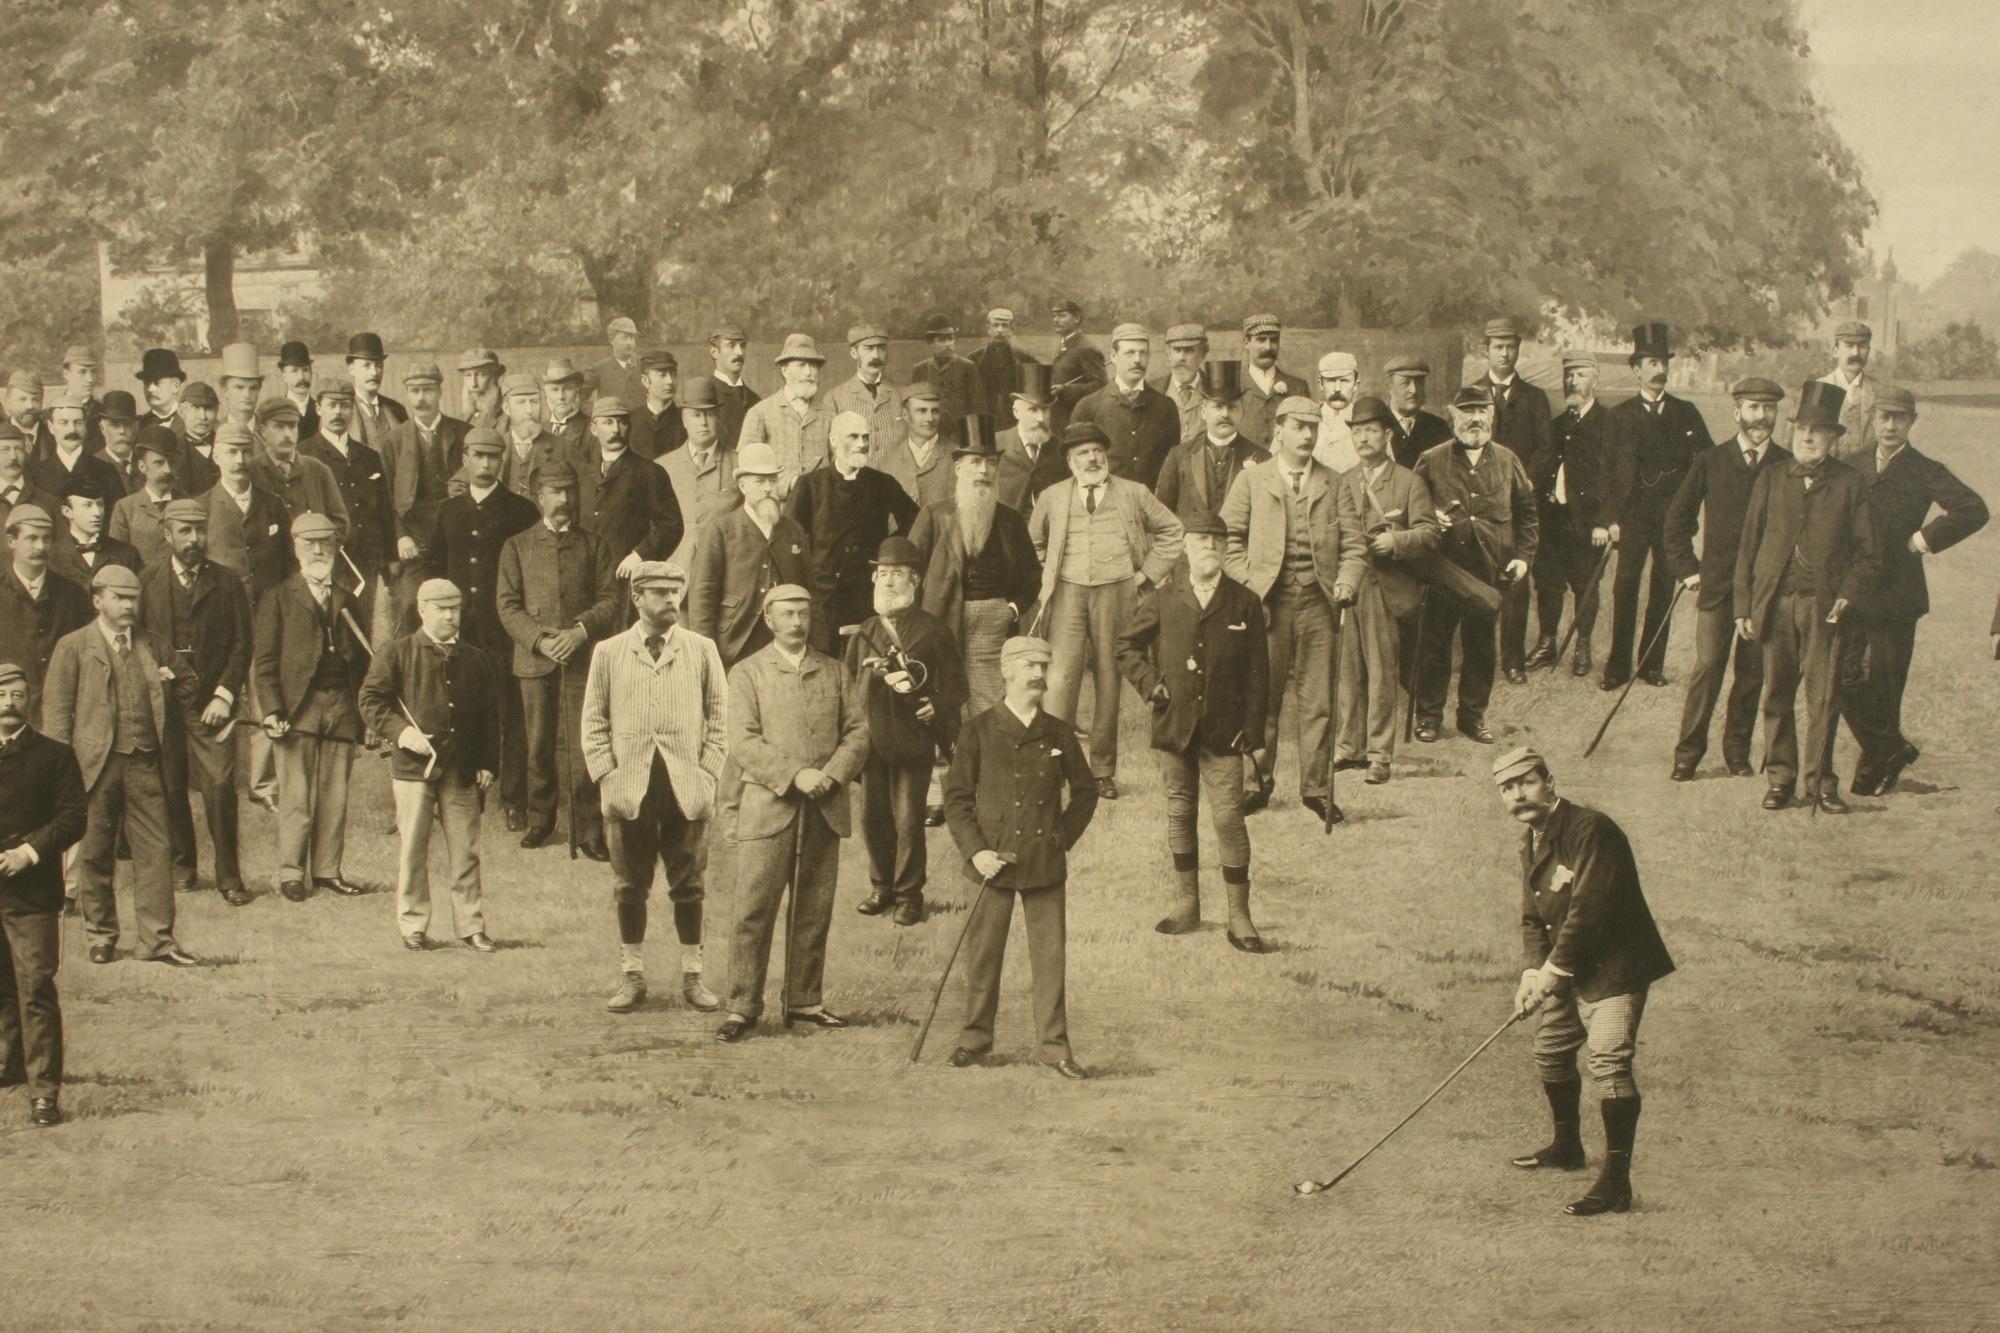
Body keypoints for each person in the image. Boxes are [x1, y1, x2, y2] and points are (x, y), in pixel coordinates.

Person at [1495, 744, 1675, 1217]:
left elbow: (1588, 910)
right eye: (1507, 789)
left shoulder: (1591, 829)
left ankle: (1617, 1183)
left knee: (1609, 1062)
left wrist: (1552, 972)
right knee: (1550, 1051)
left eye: (1526, 782)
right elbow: (1533, 918)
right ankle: (1567, 1147)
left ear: (1550, 782)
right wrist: (1533, 971)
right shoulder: (1530, 840)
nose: (1518, 795)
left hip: (1615, 967)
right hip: (1568, 969)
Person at [717, 583, 869, 1043]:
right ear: (769, 619)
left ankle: (804, 1002)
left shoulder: (835, 671)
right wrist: (795, 774)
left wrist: (833, 774)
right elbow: (742, 741)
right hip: (768, 806)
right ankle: (742, 1008)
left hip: (823, 807)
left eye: (804, 614)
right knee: (752, 911)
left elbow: (859, 732)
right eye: (788, 614)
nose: (797, 622)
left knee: (813, 909)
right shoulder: (747, 673)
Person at [941, 635, 1097, 1078]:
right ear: (1006, 671)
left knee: (1050, 960)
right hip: (991, 865)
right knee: (983, 957)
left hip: (1044, 865)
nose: (1038, 675)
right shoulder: (977, 730)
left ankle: (1055, 1049)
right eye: (1029, 665)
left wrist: (1060, 838)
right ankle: (974, 1041)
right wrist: (977, 852)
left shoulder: (1059, 733)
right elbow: (956, 800)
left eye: (1043, 667)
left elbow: (1085, 794)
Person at [581, 561, 728, 1015]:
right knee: (630, 887)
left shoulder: (702, 650)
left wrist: (706, 773)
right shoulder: (609, 652)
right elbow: (593, 721)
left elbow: (720, 719)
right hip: (631, 787)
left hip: (686, 786)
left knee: (690, 887)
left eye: (676, 591)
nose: (671, 600)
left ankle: (693, 978)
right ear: (637, 598)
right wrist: (608, 775)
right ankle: (632, 977)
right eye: (660, 592)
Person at [1116, 515, 1269, 948]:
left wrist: (1252, 731)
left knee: (1228, 819)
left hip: (1225, 731)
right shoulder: (1165, 598)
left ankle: (1239, 916)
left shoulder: (1244, 602)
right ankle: (1188, 905)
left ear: (1226, 549)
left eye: (1218, 541)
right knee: (1180, 812)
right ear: (1185, 545)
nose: (1210, 548)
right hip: (1176, 724)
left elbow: (1260, 675)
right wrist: (1151, 684)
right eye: (1202, 540)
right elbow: (1126, 645)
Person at [1734, 381, 1879, 813]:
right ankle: (1780, 780)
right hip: (1775, 604)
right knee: (1776, 694)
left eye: (1818, 431)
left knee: (1823, 698)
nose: (1808, 438)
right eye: (1801, 430)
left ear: (1833, 438)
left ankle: (1820, 783)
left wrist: (1846, 596)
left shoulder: (1850, 484)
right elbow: (1748, 547)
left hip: (1824, 608)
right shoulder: (1772, 479)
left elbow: (1868, 554)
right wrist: (1744, 607)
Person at [43, 564, 196, 966]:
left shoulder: (153, 644)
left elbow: (189, 684)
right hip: (93, 766)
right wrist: (60, 776)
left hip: (145, 762)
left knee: (156, 852)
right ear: (98, 601)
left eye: (133, 598)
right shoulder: (73, 646)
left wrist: (169, 680)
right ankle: (101, 936)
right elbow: (57, 717)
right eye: (119, 598)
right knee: (94, 853)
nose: (129, 605)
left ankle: (158, 941)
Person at [1218, 396, 1365, 816]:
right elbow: (1227, 542)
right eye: (1298, 427)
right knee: (1262, 699)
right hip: (1267, 607)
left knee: (1318, 701)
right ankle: (1257, 783)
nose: (1307, 435)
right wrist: (1249, 583)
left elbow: (1354, 545)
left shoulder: (1334, 482)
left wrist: (1345, 581)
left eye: (1313, 428)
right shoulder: (1251, 481)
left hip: (1318, 606)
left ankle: (1316, 789)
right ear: (1278, 430)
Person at [1839, 386, 1987, 796]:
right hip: (1852, 590)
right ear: (1872, 418)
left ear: (1912, 422)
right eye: (1883, 416)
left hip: (1898, 595)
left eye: (1899, 418)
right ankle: (1890, 747)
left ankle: (1875, 763)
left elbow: (1973, 509)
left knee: (1886, 684)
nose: (1889, 425)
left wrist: (1922, 539)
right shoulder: (1850, 466)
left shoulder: (1925, 469)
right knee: (1840, 678)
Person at [1028, 420, 1184, 800]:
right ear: (1069, 460)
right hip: (1067, 592)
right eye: (1083, 452)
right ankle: (1055, 765)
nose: (1093, 458)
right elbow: (1031, 541)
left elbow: (1173, 531)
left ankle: (1102, 769)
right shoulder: (1052, 496)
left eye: (1098, 450)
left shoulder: (1134, 493)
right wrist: (1050, 570)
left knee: (1110, 681)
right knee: (1060, 681)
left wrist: (1145, 576)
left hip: (1118, 593)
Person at [360, 578, 501, 953]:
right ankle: (413, 926)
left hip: (463, 770)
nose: (450, 616)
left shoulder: (476, 658)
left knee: (466, 851)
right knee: (413, 849)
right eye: (441, 609)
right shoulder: (396, 654)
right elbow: (371, 701)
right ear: (422, 610)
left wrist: (488, 762)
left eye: (455, 609)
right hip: (413, 770)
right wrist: (403, 734)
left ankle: (471, 926)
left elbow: (491, 716)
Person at [1664, 378, 1793, 781]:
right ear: (1736, 412)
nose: (1762, 417)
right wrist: (1688, 569)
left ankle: (1737, 753)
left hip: (1763, 591)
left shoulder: (1787, 465)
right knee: (1708, 667)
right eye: (1754, 408)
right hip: (1719, 587)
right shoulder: (1710, 460)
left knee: (1752, 673)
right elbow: (1677, 521)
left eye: (1769, 409)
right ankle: (1687, 755)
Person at [496, 461, 622, 857]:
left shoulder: (595, 545)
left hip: (582, 661)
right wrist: (538, 640)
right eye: (555, 492)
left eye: (570, 491)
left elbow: (610, 600)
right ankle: (540, 820)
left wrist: (579, 632)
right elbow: (507, 605)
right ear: (539, 497)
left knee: (586, 744)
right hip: (534, 662)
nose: (565, 499)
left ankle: (588, 829)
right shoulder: (516, 546)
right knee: (538, 743)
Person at [424, 428, 540, 830]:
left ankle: (514, 799)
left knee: (512, 713)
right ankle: (461, 790)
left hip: (504, 630)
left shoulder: (521, 511)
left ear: (503, 461)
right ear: (466, 458)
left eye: (494, 457)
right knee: (459, 708)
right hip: (460, 631)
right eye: (478, 456)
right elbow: (434, 570)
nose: (486, 464)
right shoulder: (448, 511)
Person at [846, 537, 965, 927]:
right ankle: (882, 888)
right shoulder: (864, 629)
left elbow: (956, 685)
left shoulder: (934, 631)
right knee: (872, 818)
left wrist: (939, 706)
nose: (888, 582)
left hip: (912, 738)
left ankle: (910, 895)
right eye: (882, 574)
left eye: (897, 574)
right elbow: (847, 686)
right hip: (871, 739)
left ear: (915, 581)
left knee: (910, 819)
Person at [254, 513, 373, 900]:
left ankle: (326, 871)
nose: (319, 550)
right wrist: (272, 710)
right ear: (295, 547)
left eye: (326, 543)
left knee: (334, 793)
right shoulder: (278, 597)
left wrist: (363, 712)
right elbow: (266, 662)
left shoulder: (348, 599)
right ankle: (291, 872)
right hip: (298, 707)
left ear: (337, 549)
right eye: (310, 544)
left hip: (341, 705)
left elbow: (365, 660)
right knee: (296, 796)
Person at [1410, 386, 1538, 745]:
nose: (1475, 419)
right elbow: (1412, 510)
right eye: (1467, 412)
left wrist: (1523, 558)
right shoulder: (1430, 460)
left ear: (1492, 415)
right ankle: (1429, 716)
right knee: (1435, 646)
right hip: (1443, 571)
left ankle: (1472, 716)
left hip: (1489, 572)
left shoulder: (1508, 460)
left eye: (1482, 410)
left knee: (1481, 647)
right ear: (1453, 415)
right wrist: (1432, 517)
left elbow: (1527, 515)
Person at [144, 499, 252, 906]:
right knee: (170, 786)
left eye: (199, 531)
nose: (193, 539)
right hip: (165, 704)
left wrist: (225, 694)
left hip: (211, 703)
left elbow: (243, 645)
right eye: (184, 531)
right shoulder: (148, 581)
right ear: (166, 534)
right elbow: (137, 641)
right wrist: (154, 676)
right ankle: (182, 866)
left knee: (221, 787)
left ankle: (229, 876)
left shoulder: (227, 582)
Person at [1332, 396, 1440, 783]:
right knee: (1347, 671)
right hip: (1351, 584)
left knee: (1381, 672)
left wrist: (1396, 543)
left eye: (1371, 431)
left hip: (1388, 587)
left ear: (1387, 434)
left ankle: (1379, 754)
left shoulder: (1409, 481)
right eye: (1357, 431)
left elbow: (1429, 533)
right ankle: (1349, 747)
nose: (1363, 438)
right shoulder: (1342, 480)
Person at [1603, 322, 1714, 689]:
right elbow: (1606, 473)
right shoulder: (1619, 416)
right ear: (1636, 369)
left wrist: (1689, 514)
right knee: (1625, 587)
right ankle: (1617, 667)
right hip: (1633, 516)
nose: (1658, 369)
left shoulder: (1687, 413)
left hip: (1671, 518)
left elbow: (1707, 464)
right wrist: (1611, 519)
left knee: (1663, 588)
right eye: (1650, 362)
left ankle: (1651, 665)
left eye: (1662, 361)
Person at [0, 659, 86, 1127]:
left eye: (16, 695)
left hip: (31, 893)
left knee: (34, 986)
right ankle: (8, 1067)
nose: (8, 705)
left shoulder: (54, 755)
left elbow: (74, 817)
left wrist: (29, 853)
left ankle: (44, 1092)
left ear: (29, 699)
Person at [909, 423, 1040, 716]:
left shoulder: (1010, 520)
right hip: (940, 616)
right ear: (958, 467)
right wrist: (918, 619)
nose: (984, 471)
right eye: (976, 462)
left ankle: (991, 754)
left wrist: (1013, 609)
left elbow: (1032, 574)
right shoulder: (934, 515)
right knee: (942, 691)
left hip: (993, 618)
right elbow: (911, 572)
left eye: (991, 463)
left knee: (989, 696)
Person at [784, 409, 917, 650]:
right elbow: (787, 536)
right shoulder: (810, 485)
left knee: (868, 658)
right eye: (853, 437)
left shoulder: (882, 483)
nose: (861, 444)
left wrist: (888, 549)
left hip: (867, 596)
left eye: (865, 437)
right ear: (834, 441)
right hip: (824, 598)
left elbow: (915, 518)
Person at [1522, 353, 1619, 678]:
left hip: (1587, 522)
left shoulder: (1608, 424)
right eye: (1568, 375)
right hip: (1552, 517)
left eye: (1579, 375)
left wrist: (1604, 521)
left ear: (1596, 381)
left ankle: (1582, 645)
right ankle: (1548, 643)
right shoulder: (1558, 424)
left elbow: (1614, 477)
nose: (1572, 381)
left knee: (1585, 585)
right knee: (1548, 583)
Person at [1473, 319, 1556, 685]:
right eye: (1497, 346)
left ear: (1518, 349)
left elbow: (1545, 449)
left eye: (1510, 346)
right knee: (1477, 580)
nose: (1504, 353)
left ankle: (1512, 659)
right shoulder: (1471, 394)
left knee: (1516, 583)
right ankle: (1478, 656)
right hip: (1480, 504)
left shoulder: (1535, 398)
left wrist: (1523, 486)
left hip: (1519, 506)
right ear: (1485, 350)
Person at [687, 443, 814, 668]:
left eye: (772, 481)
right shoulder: (721, 530)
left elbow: (809, 588)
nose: (768, 488)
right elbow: (702, 597)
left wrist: (817, 646)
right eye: (760, 481)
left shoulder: (792, 530)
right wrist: (706, 653)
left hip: (784, 640)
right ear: (742, 485)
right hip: (736, 640)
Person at [384, 361, 468, 629]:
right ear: (407, 394)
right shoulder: (394, 440)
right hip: (414, 545)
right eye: (414, 390)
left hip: (456, 539)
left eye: (428, 390)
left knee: (460, 610)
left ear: (440, 392)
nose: (421, 398)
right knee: (411, 609)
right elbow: (384, 495)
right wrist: (400, 535)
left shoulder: (463, 434)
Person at [573, 395, 686, 585]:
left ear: (629, 427)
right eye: (608, 422)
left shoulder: (649, 472)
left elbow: (671, 526)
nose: (616, 430)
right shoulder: (582, 473)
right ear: (593, 428)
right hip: (587, 576)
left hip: (627, 577)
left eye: (622, 422)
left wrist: (639, 556)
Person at [0, 505, 92, 725]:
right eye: (31, 538)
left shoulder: (73, 594)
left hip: (64, 715)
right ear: (11, 541)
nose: (41, 546)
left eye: (46, 539)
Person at [1153, 361, 1268, 529]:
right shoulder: (1179, 456)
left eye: (1232, 407)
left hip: (1238, 551)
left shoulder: (1262, 458)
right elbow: (1160, 516)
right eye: (1218, 406)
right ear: (1203, 411)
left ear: (1242, 411)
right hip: (1192, 551)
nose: (1225, 414)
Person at [1071, 323, 1180, 490]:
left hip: (1153, 506)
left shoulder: (1166, 407)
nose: (1137, 360)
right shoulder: (1088, 406)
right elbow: (1076, 466)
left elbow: (1172, 467)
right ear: (1114, 356)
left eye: (1143, 353)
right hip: (1106, 506)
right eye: (1130, 353)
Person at [656, 376, 741, 570]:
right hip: (675, 572)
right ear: (684, 420)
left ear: (717, 417)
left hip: (726, 568)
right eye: (696, 415)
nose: (703, 422)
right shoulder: (662, 467)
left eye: (709, 414)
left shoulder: (739, 463)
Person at [738, 334, 831, 494]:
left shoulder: (829, 416)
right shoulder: (760, 413)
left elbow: (840, 465)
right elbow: (747, 467)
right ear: (784, 369)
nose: (808, 372)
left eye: (813, 366)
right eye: (801, 365)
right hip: (777, 510)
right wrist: (787, 484)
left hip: (821, 509)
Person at [50, 471, 141, 590]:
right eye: (87, 505)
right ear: (67, 512)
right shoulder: (51, 557)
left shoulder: (127, 554)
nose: (97, 513)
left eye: (100, 505)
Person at [28, 391, 124, 502]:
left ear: (85, 425)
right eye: (63, 423)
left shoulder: (106, 471)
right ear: (51, 427)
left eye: (78, 423)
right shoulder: (35, 474)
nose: (72, 430)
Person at [826, 323, 905, 456]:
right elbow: (831, 451)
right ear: (853, 353)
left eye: (881, 348)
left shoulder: (902, 394)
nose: (876, 355)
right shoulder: (834, 397)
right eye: (868, 348)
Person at [995, 364, 1066, 512]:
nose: (1040, 418)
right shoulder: (996, 444)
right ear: (1016, 412)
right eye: (1032, 410)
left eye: (1045, 410)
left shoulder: (1061, 449)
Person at [873, 385, 954, 513]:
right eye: (922, 411)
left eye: (935, 411)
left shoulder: (958, 457)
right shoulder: (886, 462)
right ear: (905, 414)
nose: (930, 418)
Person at [1234, 314, 1308, 448]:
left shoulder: (1298, 387)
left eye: (1273, 340)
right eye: (1261, 340)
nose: (1268, 347)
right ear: (1246, 342)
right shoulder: (1233, 386)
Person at [109, 430, 180, 568]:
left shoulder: (188, 503)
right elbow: (117, 558)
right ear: (142, 467)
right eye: (159, 463)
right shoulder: (125, 508)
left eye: (171, 463)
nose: (167, 470)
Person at [909, 313, 980, 446]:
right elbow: (913, 407)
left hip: (961, 437)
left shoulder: (967, 367)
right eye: (942, 340)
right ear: (931, 343)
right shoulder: (920, 369)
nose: (948, 344)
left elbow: (978, 407)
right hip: (931, 436)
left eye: (950, 338)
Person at [1819, 320, 1878, 463]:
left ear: (1869, 350)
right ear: (1835, 350)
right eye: (1849, 345)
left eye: (1862, 346)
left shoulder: (1879, 392)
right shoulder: (1818, 389)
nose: (1856, 352)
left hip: (1866, 479)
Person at [497, 371, 561, 499]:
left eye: (534, 402)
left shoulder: (563, 447)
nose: (529, 410)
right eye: (521, 402)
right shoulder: (494, 446)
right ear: (506, 408)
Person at [344, 332, 409, 458]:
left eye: (379, 366)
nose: (374, 373)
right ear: (351, 369)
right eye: (366, 365)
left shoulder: (397, 410)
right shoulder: (342, 409)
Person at [1047, 299, 1105, 438]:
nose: (1055, 320)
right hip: (1059, 419)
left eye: (1061, 316)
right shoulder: (1065, 343)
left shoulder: (1086, 348)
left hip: (1076, 420)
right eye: (1054, 316)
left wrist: (1065, 390)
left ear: (1076, 318)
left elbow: (1100, 386)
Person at [968, 308, 1037, 421]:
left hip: (1015, 420)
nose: (1000, 330)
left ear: (1011, 329)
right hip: (983, 420)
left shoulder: (1025, 360)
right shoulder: (973, 360)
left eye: (1005, 326)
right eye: (995, 325)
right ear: (988, 329)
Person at [1148, 322, 1210, 444]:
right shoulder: (1150, 391)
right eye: (1177, 350)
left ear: (1202, 354)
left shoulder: (1216, 388)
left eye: (1189, 350)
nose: (1181, 357)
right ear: (1169, 353)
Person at [706, 323, 761, 451]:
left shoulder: (755, 400)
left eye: (743, 345)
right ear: (714, 352)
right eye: (731, 345)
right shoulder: (704, 396)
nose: (739, 352)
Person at [0, 423, 62, 529]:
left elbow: (62, 544)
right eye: (5, 450)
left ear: (26, 454)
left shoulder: (48, 502)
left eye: (19, 449)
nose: (13, 457)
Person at [628, 351, 686, 461]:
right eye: (662, 375)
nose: (670, 381)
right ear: (645, 381)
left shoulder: (686, 419)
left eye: (673, 374)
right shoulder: (630, 420)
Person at [1312, 351, 1361, 474]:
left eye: (1344, 381)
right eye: (1331, 381)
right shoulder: (1306, 418)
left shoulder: (1368, 421)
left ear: (1355, 385)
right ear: (1321, 384)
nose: (1337, 388)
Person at [586, 315, 645, 411]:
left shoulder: (644, 365)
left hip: (642, 424)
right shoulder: (599, 369)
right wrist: (597, 414)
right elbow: (579, 396)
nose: (630, 342)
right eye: (625, 338)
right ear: (611, 340)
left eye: (632, 338)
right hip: (613, 424)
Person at [93, 390, 145, 494]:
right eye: (114, 425)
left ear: (136, 428)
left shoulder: (146, 464)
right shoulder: (91, 466)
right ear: (102, 428)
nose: (122, 431)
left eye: (128, 424)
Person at [173, 382, 221, 492]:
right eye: (195, 407)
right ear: (181, 411)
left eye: (209, 408)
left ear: (217, 411)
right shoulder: (171, 449)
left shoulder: (225, 445)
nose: (202, 416)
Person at [272, 341, 321, 439]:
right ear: (283, 377)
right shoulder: (276, 412)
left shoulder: (321, 410)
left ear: (311, 373)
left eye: (305, 370)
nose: (301, 377)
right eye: (294, 371)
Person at [540, 359, 588, 456]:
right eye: (555, 390)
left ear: (577, 391)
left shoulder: (591, 430)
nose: (561, 396)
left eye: (568, 388)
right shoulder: (541, 429)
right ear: (546, 393)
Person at [135, 348, 186, 435]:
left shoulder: (191, 422)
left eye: (157, 382)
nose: (150, 389)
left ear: (176, 386)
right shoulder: (137, 425)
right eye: (147, 382)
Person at [456, 347, 505, 434]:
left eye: (481, 375)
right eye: (468, 375)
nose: (474, 384)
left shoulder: (509, 416)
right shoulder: (459, 420)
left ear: (494, 377)